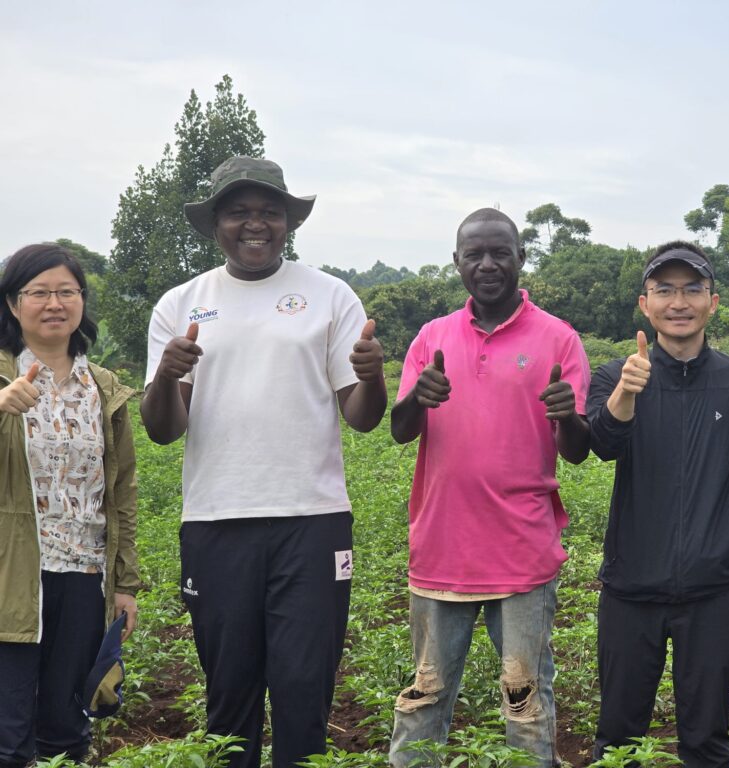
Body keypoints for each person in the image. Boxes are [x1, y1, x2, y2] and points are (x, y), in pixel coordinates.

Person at [141, 157, 386, 768]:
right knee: (230, 692)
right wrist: (167, 379)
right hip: (216, 521)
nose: (256, 225)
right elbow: (163, 430)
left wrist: (373, 376)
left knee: (306, 691)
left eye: (269, 212)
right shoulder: (182, 304)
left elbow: (361, 416)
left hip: (313, 519)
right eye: (239, 213)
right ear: (216, 224)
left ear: (287, 222)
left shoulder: (329, 295)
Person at [387, 207, 590, 768]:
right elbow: (401, 433)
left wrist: (568, 416)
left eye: (500, 251)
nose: (487, 264)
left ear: (521, 259)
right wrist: (414, 399)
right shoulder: (432, 338)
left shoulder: (559, 339)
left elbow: (575, 450)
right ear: (456, 263)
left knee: (525, 704)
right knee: (423, 701)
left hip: (522, 554)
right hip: (441, 551)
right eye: (474, 254)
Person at [587, 242, 729, 768]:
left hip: (714, 592)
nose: (679, 302)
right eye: (665, 290)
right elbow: (602, 445)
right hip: (630, 589)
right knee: (617, 738)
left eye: (692, 290)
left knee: (707, 740)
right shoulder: (614, 376)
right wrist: (626, 395)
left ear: (712, 302)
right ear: (644, 303)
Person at [0, 243, 140, 768]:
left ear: (82, 301)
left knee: (65, 730)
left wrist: (124, 584)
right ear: (14, 304)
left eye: (66, 291)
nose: (54, 303)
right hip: (12, 576)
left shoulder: (103, 388)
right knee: (8, 736)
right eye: (38, 292)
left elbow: (120, 492)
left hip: (83, 574)